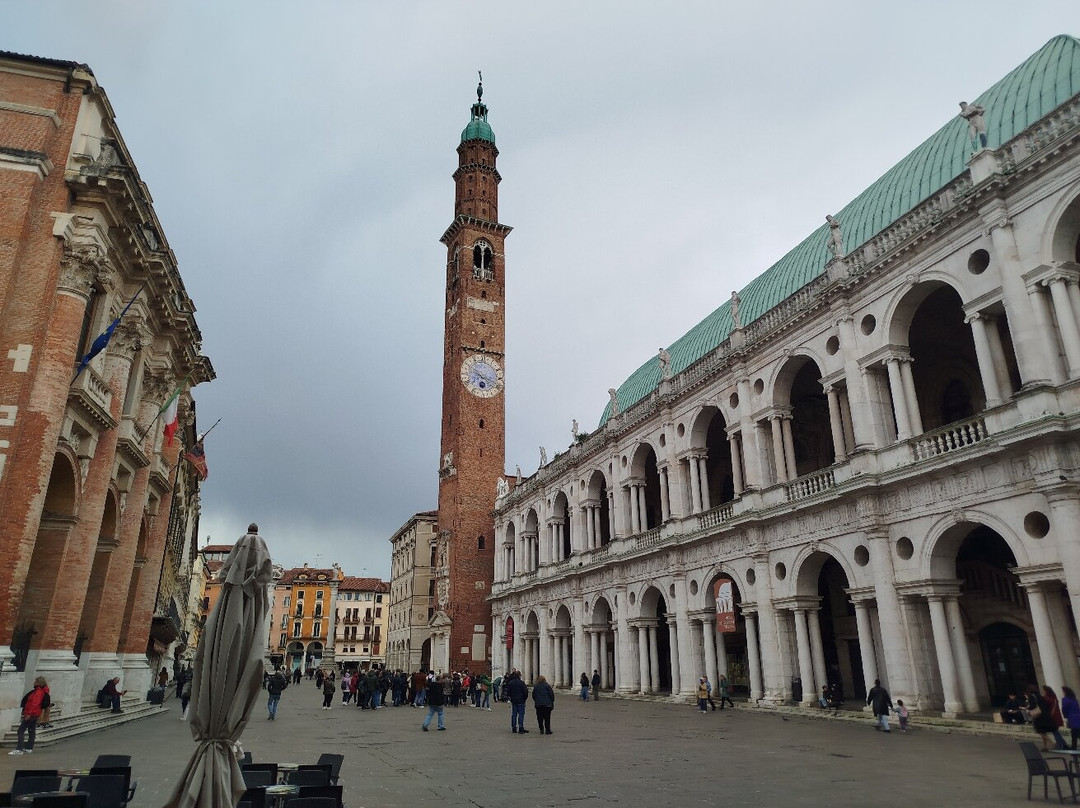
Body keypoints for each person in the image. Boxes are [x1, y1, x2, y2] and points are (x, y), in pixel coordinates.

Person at [10, 676, 49, 755]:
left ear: (38, 682)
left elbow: (35, 703)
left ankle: (19, 749)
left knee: (21, 730)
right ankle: (29, 747)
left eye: (35, 681)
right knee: (31, 730)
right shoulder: (40, 691)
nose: (33, 682)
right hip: (35, 713)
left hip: (32, 713)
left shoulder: (38, 692)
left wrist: (29, 714)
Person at [1043, 685, 1069, 750]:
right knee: (1056, 731)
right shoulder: (1054, 698)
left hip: (1052, 717)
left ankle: (1061, 745)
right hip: (1057, 717)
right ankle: (1063, 744)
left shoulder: (1046, 698)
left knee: (1055, 732)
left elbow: (1045, 708)